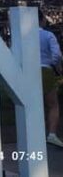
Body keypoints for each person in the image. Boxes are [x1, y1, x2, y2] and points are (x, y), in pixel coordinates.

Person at [39, 16, 63, 148]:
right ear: (42, 20)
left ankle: (35, 132)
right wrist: (58, 68)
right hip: (45, 69)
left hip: (27, 71)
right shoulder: (48, 35)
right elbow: (57, 55)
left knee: (33, 104)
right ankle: (52, 134)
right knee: (53, 104)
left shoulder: (23, 35)